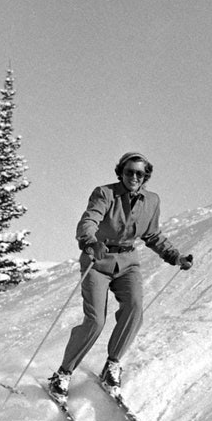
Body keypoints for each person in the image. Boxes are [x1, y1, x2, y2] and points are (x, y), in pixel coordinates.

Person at [48, 151, 193, 403]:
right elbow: (90, 219)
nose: (134, 177)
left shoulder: (152, 201)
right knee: (95, 321)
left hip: (127, 263)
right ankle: (63, 373)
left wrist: (175, 257)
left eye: (139, 173)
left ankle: (112, 366)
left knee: (135, 309)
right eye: (129, 172)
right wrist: (90, 241)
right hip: (98, 259)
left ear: (145, 175)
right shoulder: (105, 193)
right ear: (121, 173)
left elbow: (152, 235)